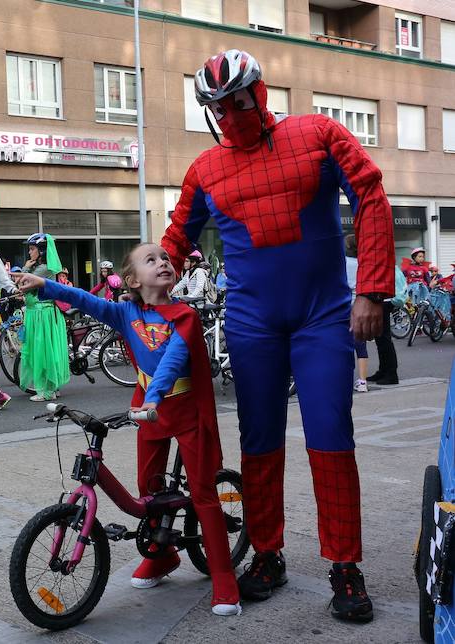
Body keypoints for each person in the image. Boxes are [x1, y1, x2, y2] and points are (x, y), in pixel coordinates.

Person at [163, 49, 395, 622]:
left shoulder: (317, 133)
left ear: (259, 93)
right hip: (252, 322)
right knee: (259, 441)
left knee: (331, 438)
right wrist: (134, 290)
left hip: (322, 316)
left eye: (239, 99)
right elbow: (174, 240)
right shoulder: (204, 170)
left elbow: (370, 192)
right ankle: (267, 554)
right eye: (219, 105)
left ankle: (345, 564)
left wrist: (371, 288)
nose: (232, 112)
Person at [13, 243, 241, 616]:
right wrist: (45, 285)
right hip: (149, 410)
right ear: (133, 279)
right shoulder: (125, 312)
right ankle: (162, 555)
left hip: (182, 409)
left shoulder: (183, 315)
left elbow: (172, 359)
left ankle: (223, 577)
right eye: (151, 260)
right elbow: (85, 300)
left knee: (203, 495)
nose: (163, 262)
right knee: (148, 489)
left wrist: (153, 396)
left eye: (165, 258)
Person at [17, 233, 70, 402]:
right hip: (40, 313)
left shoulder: (43, 268)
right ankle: (52, 387)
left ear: (42, 251)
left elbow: (23, 284)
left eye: (32, 249)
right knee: (47, 351)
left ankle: (46, 392)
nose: (30, 253)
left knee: (42, 351)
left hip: (41, 314)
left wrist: (25, 268)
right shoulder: (41, 267)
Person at [368, 265, 403, 386]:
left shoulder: (382, 261)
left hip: (385, 300)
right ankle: (384, 370)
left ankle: (391, 374)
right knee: (380, 338)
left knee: (384, 338)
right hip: (384, 299)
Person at [345, 236, 369, 393]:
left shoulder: (343, 262)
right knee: (361, 345)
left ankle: (344, 380)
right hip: (361, 304)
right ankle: (362, 382)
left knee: (343, 343)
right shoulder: (363, 263)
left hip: (344, 305)